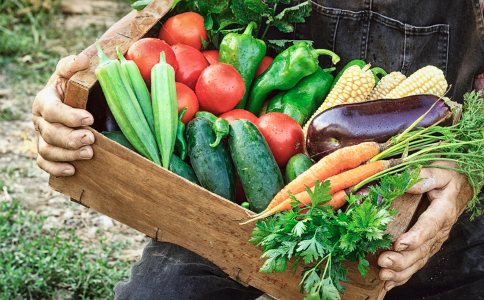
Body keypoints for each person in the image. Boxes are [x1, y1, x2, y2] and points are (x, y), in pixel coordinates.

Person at [32, 0, 484, 299]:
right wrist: (78, 82)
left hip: (433, 206)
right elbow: (161, 19)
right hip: (238, 200)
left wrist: (469, 170)